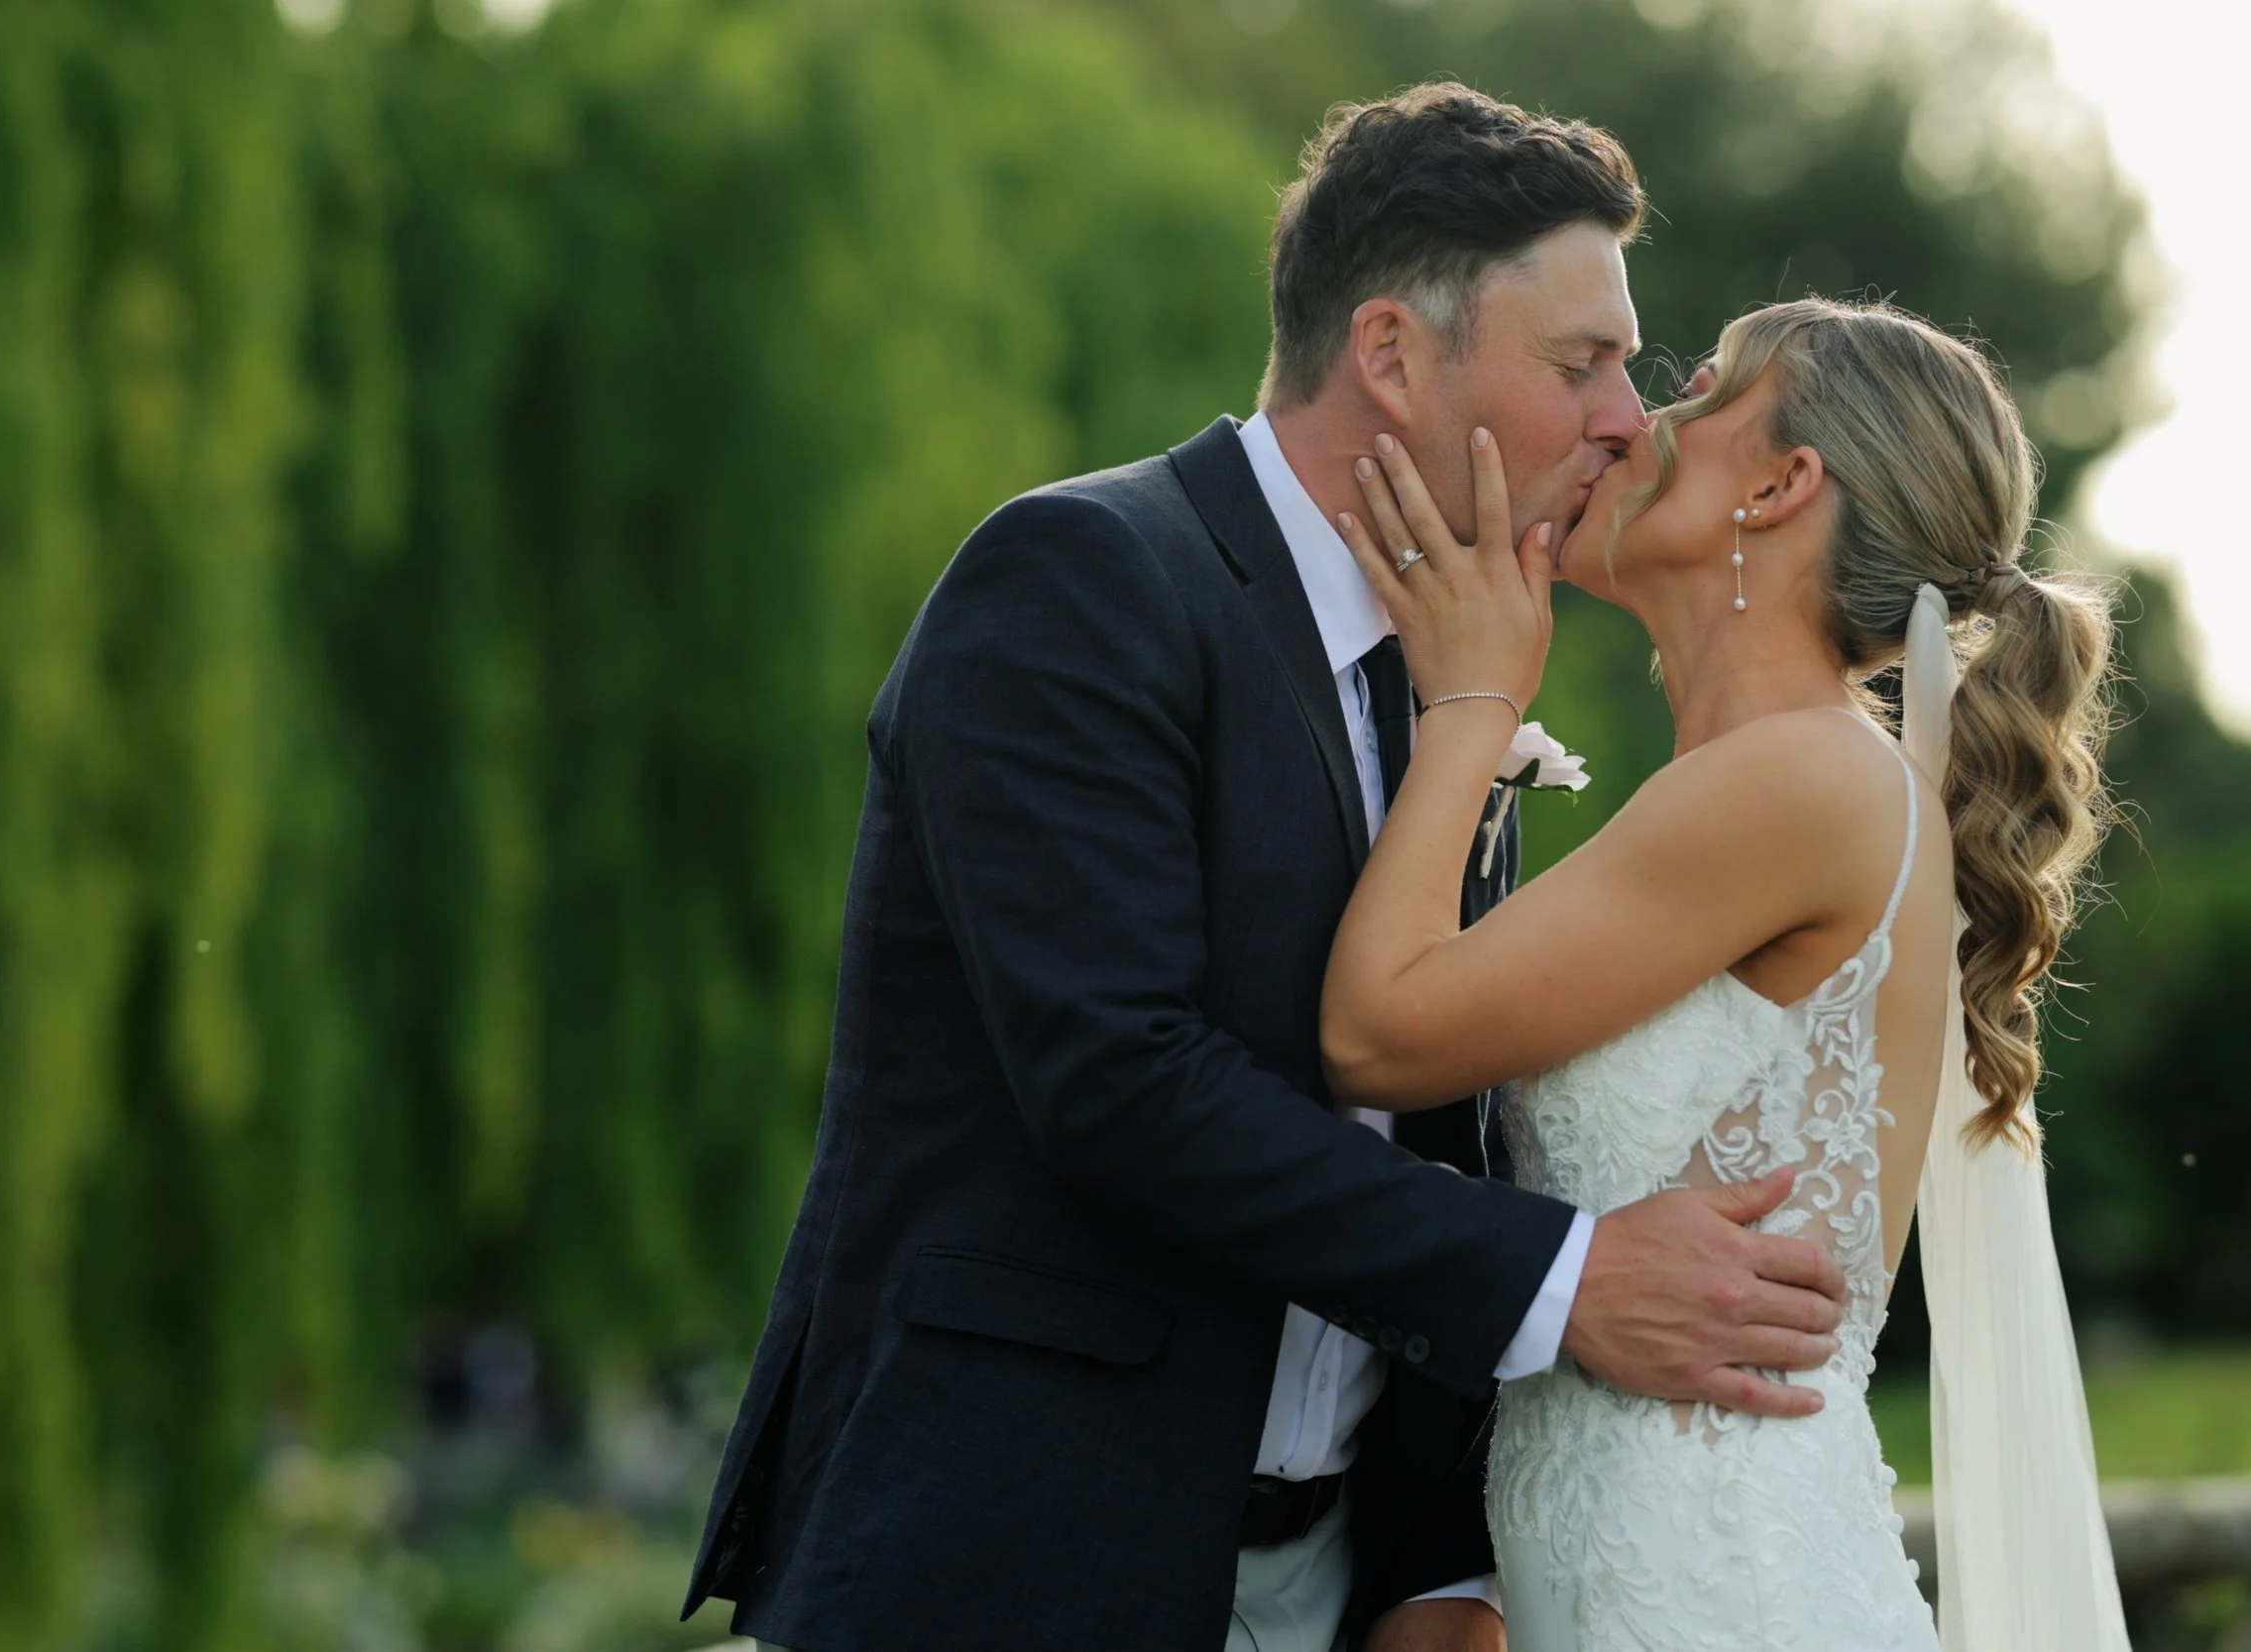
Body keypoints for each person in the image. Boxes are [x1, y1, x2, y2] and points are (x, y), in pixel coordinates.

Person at [684, 84, 1852, 1652]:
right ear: (1389, 352)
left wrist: (1442, 1562)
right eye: (1580, 363)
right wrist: (1567, 1283)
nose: (1628, 416)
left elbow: (1435, 1123)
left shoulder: (1458, 675)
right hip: (1017, 1562)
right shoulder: (1080, 582)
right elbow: (1118, 1078)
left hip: (1332, 1592)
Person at [1321, 296, 2127, 1649]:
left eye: (1700, 391)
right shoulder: (1775, 779)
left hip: (1724, 1593)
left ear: (1781, 483)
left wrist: (1470, 705)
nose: (1640, 422)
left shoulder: (1798, 779)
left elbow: (1376, 1034)